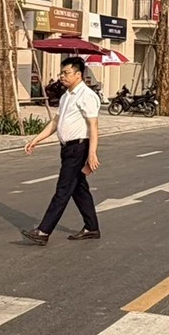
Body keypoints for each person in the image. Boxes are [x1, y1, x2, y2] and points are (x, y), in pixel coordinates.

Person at [22, 54, 101, 244]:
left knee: (63, 190)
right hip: (67, 149)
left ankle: (43, 231)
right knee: (79, 189)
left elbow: (93, 126)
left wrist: (92, 153)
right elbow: (55, 122)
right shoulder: (66, 96)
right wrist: (36, 140)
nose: (62, 76)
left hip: (78, 148)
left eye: (66, 73)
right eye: (61, 73)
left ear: (78, 75)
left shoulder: (87, 96)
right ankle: (92, 228)